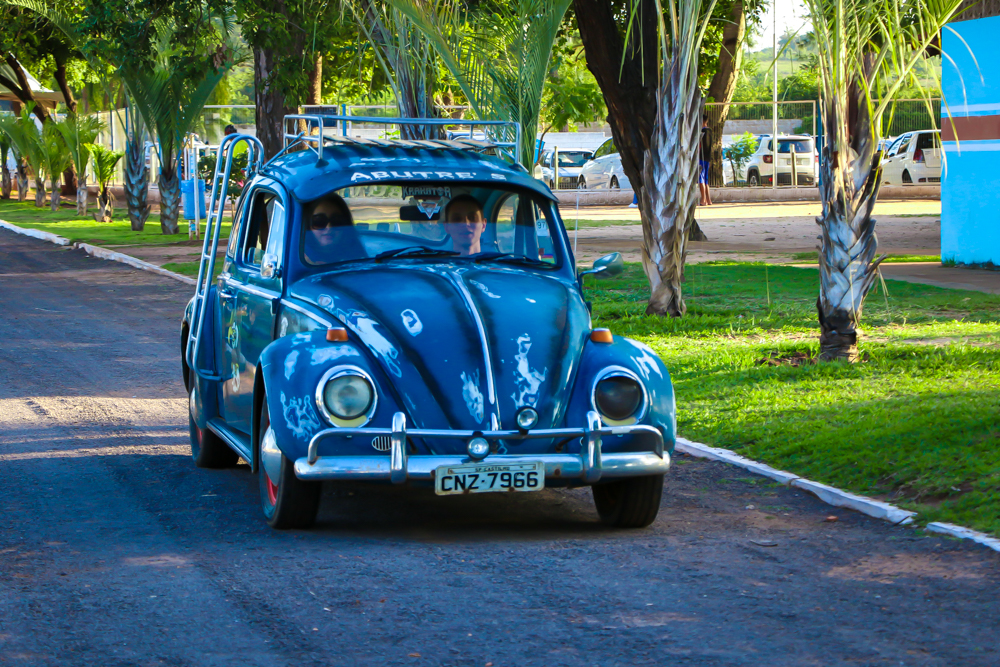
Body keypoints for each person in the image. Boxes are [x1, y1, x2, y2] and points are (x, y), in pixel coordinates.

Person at [303, 194, 366, 264]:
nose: (329, 227)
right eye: (319, 221)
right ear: (307, 225)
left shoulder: (356, 253)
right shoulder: (297, 256)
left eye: (336, 221)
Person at [699, 114, 713, 206]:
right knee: (706, 180)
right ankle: (709, 199)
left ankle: (703, 199)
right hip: (708, 157)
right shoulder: (710, 131)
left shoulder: (701, 132)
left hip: (701, 157)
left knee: (701, 179)